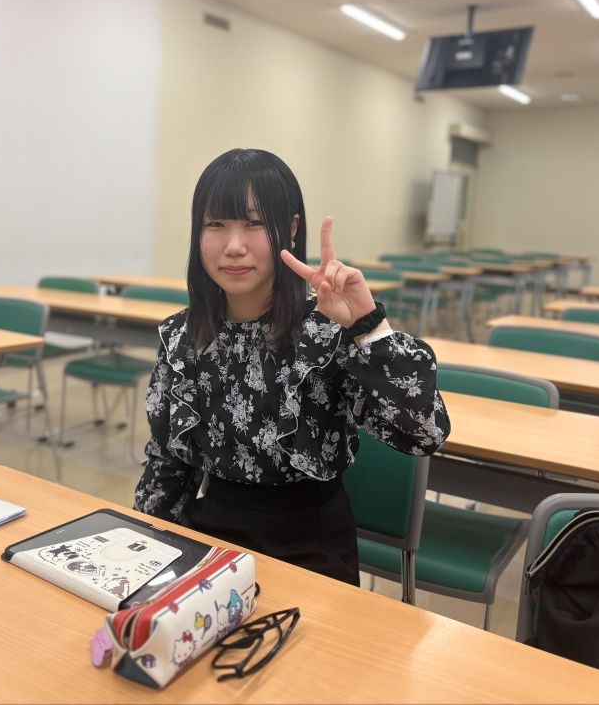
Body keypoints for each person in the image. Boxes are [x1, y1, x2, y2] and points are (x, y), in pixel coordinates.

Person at [133, 149, 449, 586]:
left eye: (254, 223)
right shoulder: (183, 335)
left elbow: (425, 434)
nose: (234, 246)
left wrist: (368, 326)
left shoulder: (329, 329)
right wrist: (142, 555)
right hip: (211, 539)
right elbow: (169, 462)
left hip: (311, 548)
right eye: (216, 224)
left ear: (292, 228)